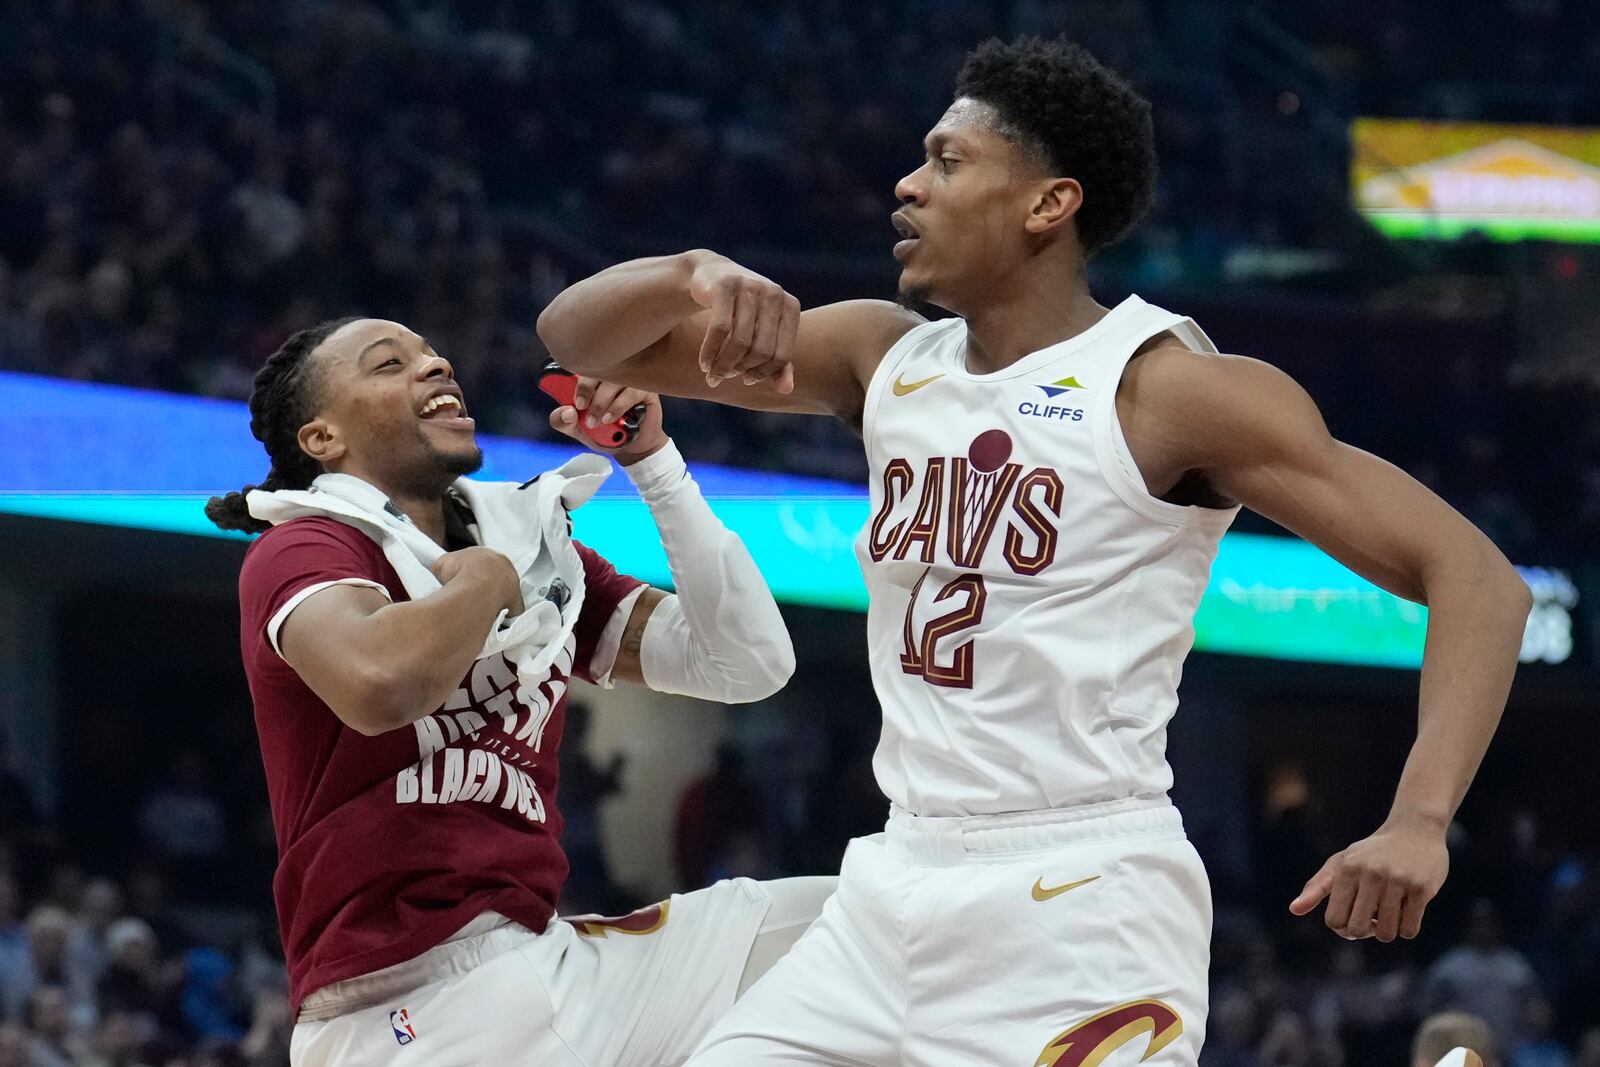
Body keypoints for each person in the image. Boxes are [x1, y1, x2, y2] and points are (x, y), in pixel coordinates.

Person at [537, 35, 1531, 1067]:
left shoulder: (1166, 389)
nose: (906, 185)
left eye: (947, 161)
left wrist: (1419, 817)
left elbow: (1475, 578)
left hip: (1080, 895)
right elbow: (578, 342)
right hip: (893, 881)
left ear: (1047, 205)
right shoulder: (880, 354)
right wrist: (689, 272)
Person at [204, 316, 834, 1066]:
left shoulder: (527, 546)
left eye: (434, 354)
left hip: (552, 964)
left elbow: (748, 661)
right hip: (404, 1008)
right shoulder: (306, 547)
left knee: (883, 921)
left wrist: (654, 463)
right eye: (388, 364)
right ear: (321, 440)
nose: (434, 365)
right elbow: (378, 683)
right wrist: (485, 585)